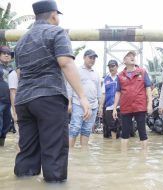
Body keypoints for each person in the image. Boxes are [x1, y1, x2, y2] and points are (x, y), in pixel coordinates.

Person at [14, 0, 91, 182]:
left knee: (28, 150)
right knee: (54, 149)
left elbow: (19, 73)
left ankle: (23, 184)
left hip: (23, 101)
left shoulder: (21, 41)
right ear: (54, 15)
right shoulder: (56, 32)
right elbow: (65, 62)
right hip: (49, 98)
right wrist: (82, 96)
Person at [112, 51, 152, 149]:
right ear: (124, 61)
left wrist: (150, 104)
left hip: (140, 106)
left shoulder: (142, 72)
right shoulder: (120, 75)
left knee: (142, 133)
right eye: (129, 56)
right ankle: (124, 157)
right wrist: (114, 108)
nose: (132, 57)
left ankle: (144, 158)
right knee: (124, 133)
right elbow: (118, 92)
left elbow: (148, 88)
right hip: (125, 108)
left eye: (133, 56)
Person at [68, 49, 101, 147]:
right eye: (90, 57)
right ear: (84, 57)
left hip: (93, 106)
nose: (92, 60)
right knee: (74, 128)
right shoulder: (77, 71)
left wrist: (100, 105)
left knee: (87, 130)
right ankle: (69, 153)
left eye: (94, 58)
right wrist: (69, 103)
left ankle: (84, 154)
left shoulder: (96, 73)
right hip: (78, 104)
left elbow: (98, 90)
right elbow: (69, 87)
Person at [0, 46, 18, 146]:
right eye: (4, 53)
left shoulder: (12, 69)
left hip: (8, 101)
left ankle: (1, 147)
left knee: (6, 125)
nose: (7, 55)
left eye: (9, 53)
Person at [99, 59, 120, 139]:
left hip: (120, 106)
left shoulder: (120, 77)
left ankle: (120, 147)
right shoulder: (106, 79)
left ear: (117, 67)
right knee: (112, 127)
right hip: (109, 107)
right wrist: (101, 106)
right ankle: (114, 145)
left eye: (113, 66)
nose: (111, 68)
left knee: (120, 126)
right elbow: (103, 94)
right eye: (109, 66)